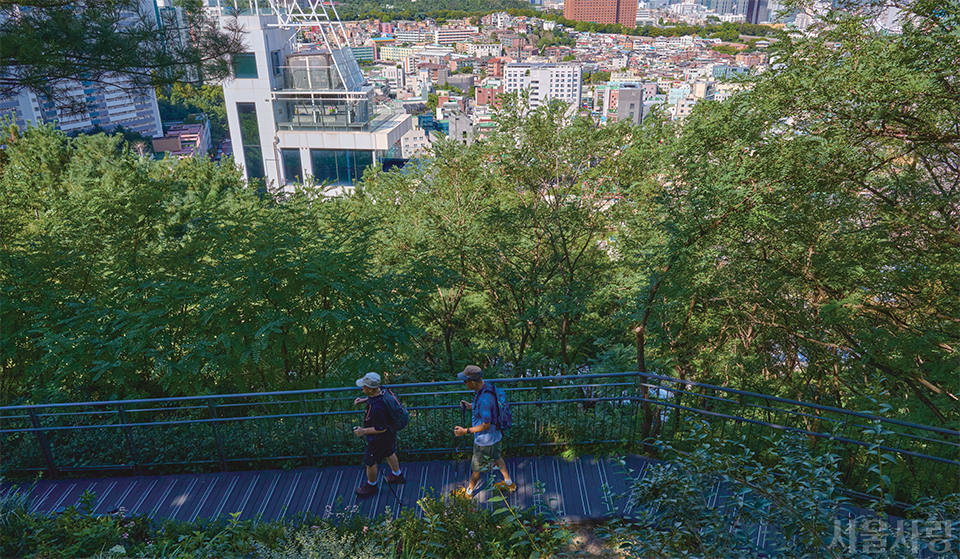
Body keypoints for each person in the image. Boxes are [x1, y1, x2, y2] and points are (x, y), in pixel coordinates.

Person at [453, 365, 516, 497]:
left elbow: (486, 424)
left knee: (477, 468)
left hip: (484, 441)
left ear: (473, 382)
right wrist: (471, 406)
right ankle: (509, 483)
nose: (464, 383)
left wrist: (465, 431)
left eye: (465, 381)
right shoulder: (486, 387)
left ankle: (469, 492)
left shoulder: (485, 400)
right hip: (495, 436)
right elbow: (486, 411)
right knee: (497, 458)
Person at [352, 372, 404, 497]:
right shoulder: (382, 391)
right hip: (391, 431)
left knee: (369, 461)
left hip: (379, 437)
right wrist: (364, 400)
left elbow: (380, 429)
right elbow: (375, 397)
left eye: (363, 386)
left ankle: (371, 485)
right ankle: (397, 476)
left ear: (369, 389)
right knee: (389, 452)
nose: (362, 388)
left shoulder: (377, 409)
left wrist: (362, 431)